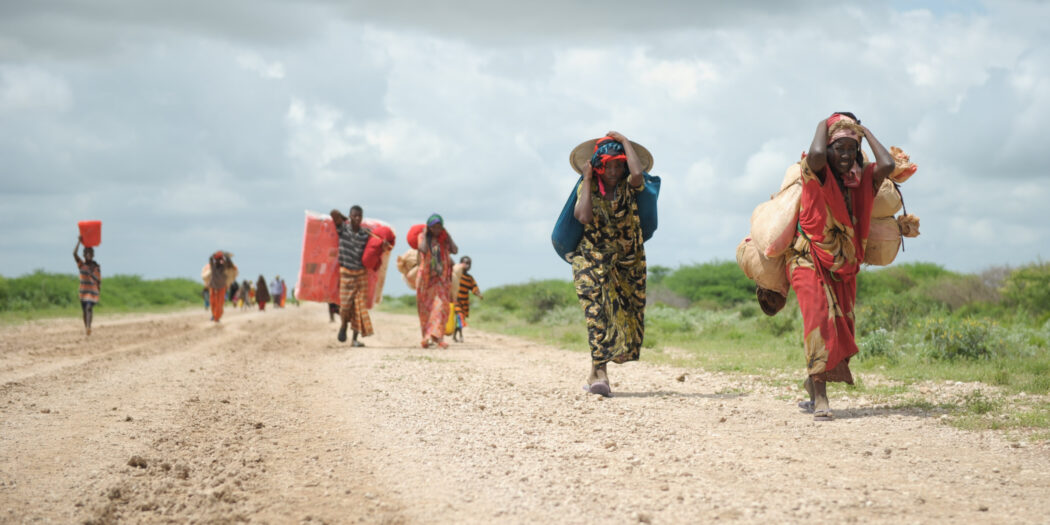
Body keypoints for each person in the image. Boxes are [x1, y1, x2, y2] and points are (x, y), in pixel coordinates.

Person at [788, 112, 895, 421]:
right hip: (807, 256)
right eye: (839, 148)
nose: (846, 155)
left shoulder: (863, 180)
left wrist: (863, 131)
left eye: (852, 149)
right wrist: (825, 123)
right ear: (828, 149)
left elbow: (888, 164)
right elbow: (816, 153)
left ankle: (813, 383)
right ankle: (821, 397)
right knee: (819, 320)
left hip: (843, 264)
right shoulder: (816, 172)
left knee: (841, 327)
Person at [572, 132, 650, 397]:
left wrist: (626, 141)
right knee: (596, 313)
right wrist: (587, 179)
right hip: (591, 259)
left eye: (618, 165)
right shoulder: (588, 187)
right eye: (608, 166)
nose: (614, 171)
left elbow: (638, 174)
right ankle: (602, 374)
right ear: (597, 165)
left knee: (624, 313)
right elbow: (583, 216)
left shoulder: (629, 185)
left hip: (626, 261)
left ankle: (594, 372)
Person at [332, 205, 389, 346]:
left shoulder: (366, 234)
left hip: (361, 274)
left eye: (360, 216)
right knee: (345, 306)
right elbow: (333, 213)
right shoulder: (343, 228)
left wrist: (383, 245)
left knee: (359, 307)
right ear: (350, 216)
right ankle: (343, 325)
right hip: (346, 273)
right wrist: (345, 219)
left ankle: (354, 339)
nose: (357, 218)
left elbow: (374, 248)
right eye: (355, 216)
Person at [417, 213, 457, 348]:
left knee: (440, 307)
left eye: (439, 227)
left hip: (441, 279)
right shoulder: (423, 237)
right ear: (429, 227)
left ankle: (439, 338)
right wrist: (425, 233)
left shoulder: (443, 240)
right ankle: (427, 337)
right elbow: (423, 249)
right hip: (426, 279)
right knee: (425, 310)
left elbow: (455, 250)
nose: (437, 230)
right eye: (434, 227)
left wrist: (448, 235)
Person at [73, 237, 101, 336]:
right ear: (84, 255)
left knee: (89, 308)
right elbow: (74, 254)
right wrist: (79, 242)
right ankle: (87, 328)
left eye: (90, 253)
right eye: (86, 253)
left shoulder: (96, 266)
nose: (88, 255)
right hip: (83, 291)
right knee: (84, 310)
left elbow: (99, 280)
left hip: (93, 292)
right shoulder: (82, 264)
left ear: (93, 255)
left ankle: (89, 327)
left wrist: (99, 291)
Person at [452, 256, 483, 343]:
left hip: (464, 302)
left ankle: (455, 336)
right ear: (460, 264)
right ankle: (461, 336)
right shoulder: (455, 275)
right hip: (456, 300)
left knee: (460, 319)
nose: (467, 265)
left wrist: (479, 294)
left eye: (469, 264)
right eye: (465, 263)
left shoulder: (469, 278)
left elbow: (474, 288)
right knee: (460, 317)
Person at [207, 251, 232, 322]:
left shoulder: (223, 267)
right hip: (213, 286)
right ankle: (214, 315)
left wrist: (226, 257)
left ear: (221, 260)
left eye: (219, 260)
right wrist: (213, 255)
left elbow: (228, 263)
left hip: (221, 287)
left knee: (219, 303)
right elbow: (210, 260)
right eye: (216, 260)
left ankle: (216, 317)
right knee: (213, 302)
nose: (217, 261)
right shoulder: (213, 267)